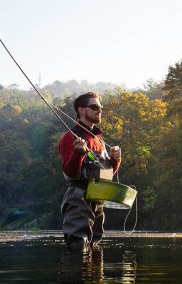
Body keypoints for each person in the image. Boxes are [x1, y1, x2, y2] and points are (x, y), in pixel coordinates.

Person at [58, 92, 122, 252]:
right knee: (77, 246)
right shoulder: (69, 138)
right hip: (78, 198)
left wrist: (115, 160)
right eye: (94, 107)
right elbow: (70, 173)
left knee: (95, 246)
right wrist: (78, 153)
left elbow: (107, 173)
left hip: (98, 200)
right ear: (81, 110)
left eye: (100, 107)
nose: (99, 110)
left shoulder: (99, 141)